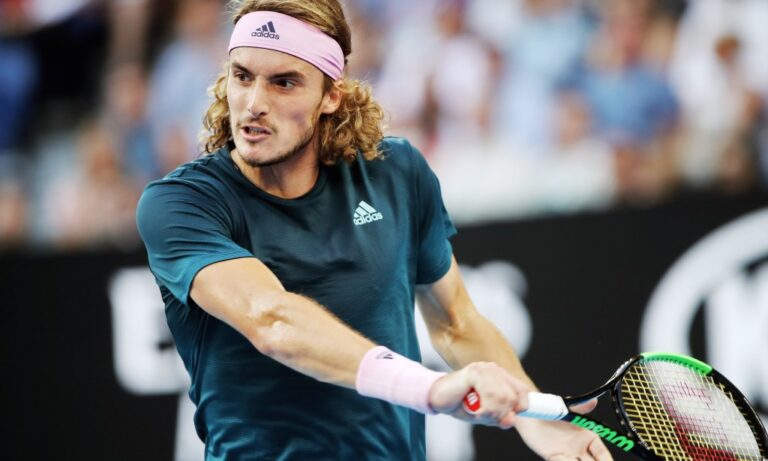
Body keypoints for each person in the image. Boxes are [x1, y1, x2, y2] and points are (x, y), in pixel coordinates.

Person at [136, 1, 611, 459]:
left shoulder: (397, 171)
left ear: (331, 96)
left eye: (284, 83)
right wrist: (432, 389)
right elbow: (273, 322)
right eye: (242, 76)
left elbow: (455, 322)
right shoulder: (181, 204)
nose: (254, 103)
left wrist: (533, 416)